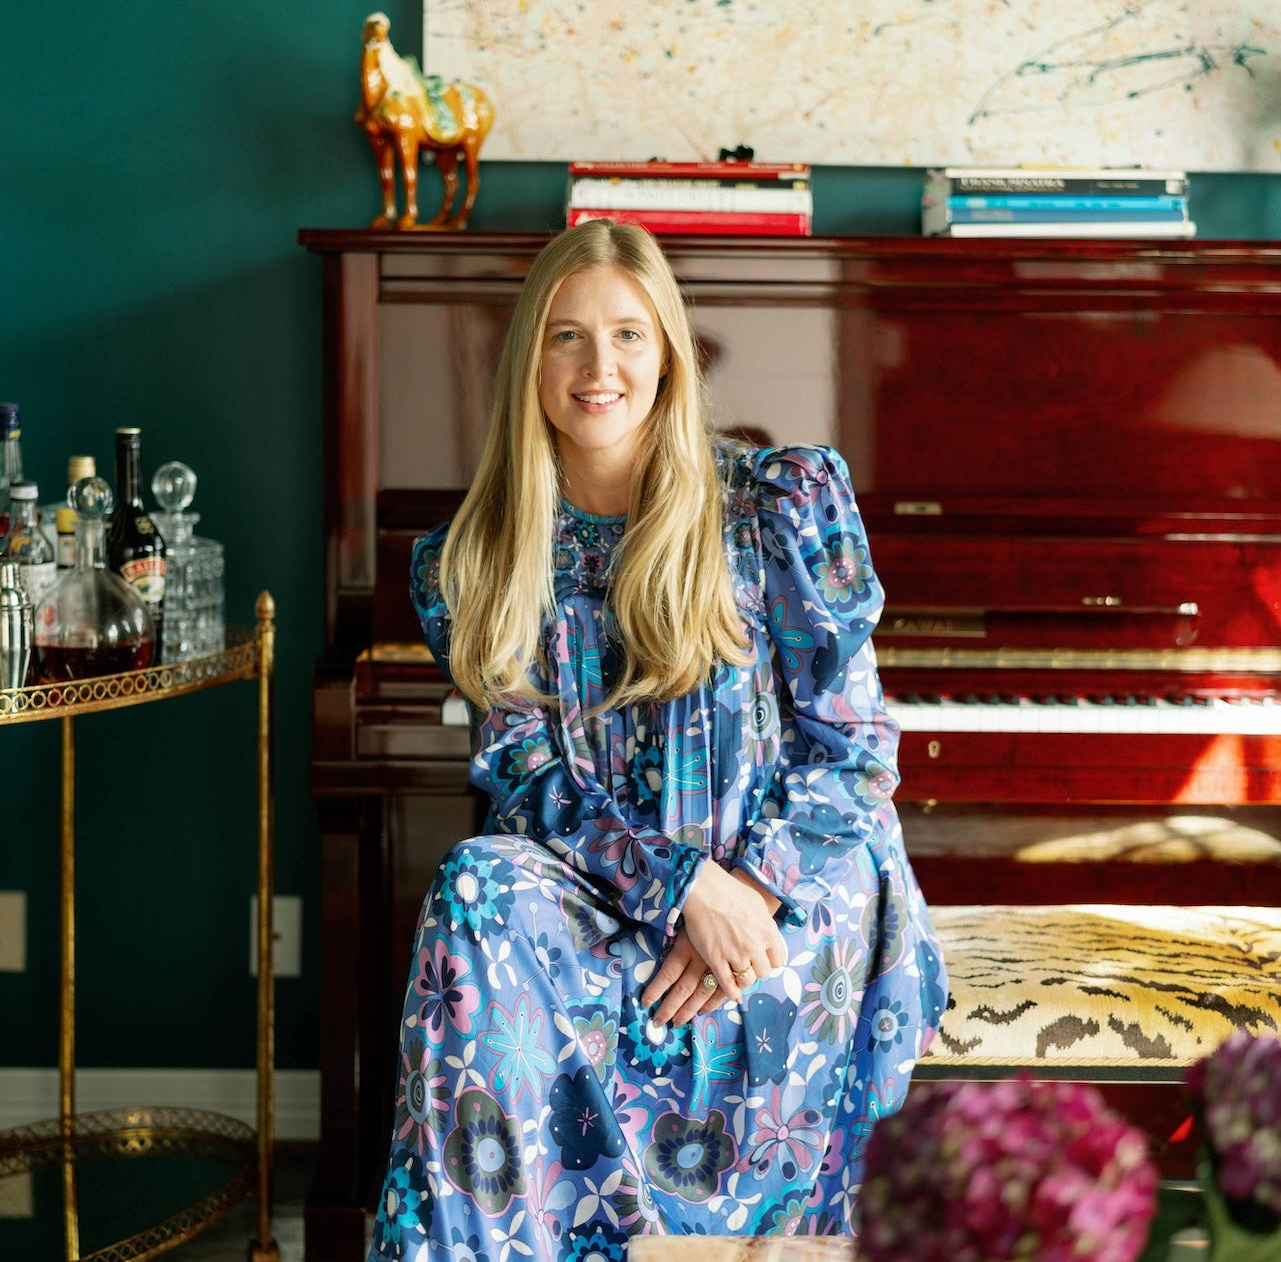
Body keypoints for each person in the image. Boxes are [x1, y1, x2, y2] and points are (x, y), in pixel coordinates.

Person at [368, 218, 947, 1259]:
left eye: (630, 335)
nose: (601, 367)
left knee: (776, 942)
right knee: (473, 885)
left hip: (791, 887)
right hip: (609, 889)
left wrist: (749, 888)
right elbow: (531, 782)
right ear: (528, 361)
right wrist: (683, 888)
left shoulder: (777, 505)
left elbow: (854, 749)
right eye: (568, 337)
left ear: (670, 355)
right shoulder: (472, 562)